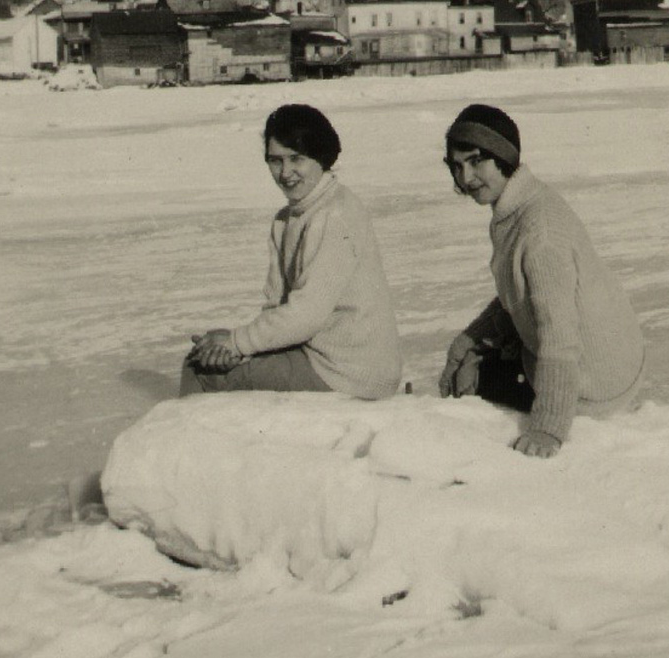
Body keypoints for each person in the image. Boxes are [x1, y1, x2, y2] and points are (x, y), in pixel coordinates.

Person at [439, 104, 644, 458]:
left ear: (503, 157)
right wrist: (466, 342)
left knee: (470, 379)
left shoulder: (539, 233)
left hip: (595, 385)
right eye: (456, 166)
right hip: (607, 363)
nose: (466, 178)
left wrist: (547, 430)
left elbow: (559, 336)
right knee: (468, 360)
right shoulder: (521, 205)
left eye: (475, 162)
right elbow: (523, 293)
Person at [181, 104, 402, 400]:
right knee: (206, 352)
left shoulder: (334, 215)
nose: (285, 173)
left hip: (350, 371)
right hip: (317, 355)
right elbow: (277, 306)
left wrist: (236, 343)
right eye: (275, 161)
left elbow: (305, 316)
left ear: (320, 157)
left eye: (296, 159)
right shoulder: (287, 220)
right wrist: (232, 346)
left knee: (201, 371)